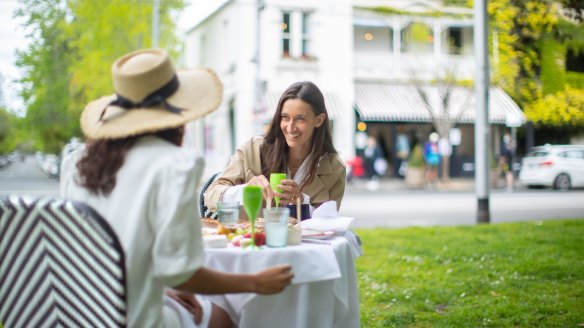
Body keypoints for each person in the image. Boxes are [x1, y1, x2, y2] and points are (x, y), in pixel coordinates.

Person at [60, 48, 293, 328]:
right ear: (177, 113)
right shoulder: (174, 164)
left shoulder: (76, 162)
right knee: (226, 319)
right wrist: (254, 282)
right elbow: (180, 271)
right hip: (135, 318)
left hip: (77, 311)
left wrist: (170, 290)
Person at [204, 81, 346, 212]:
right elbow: (210, 195)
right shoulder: (252, 150)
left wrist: (302, 202)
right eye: (285, 117)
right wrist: (245, 191)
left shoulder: (334, 168)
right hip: (253, 237)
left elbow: (328, 221)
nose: (290, 127)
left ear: (318, 120)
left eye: (300, 119)